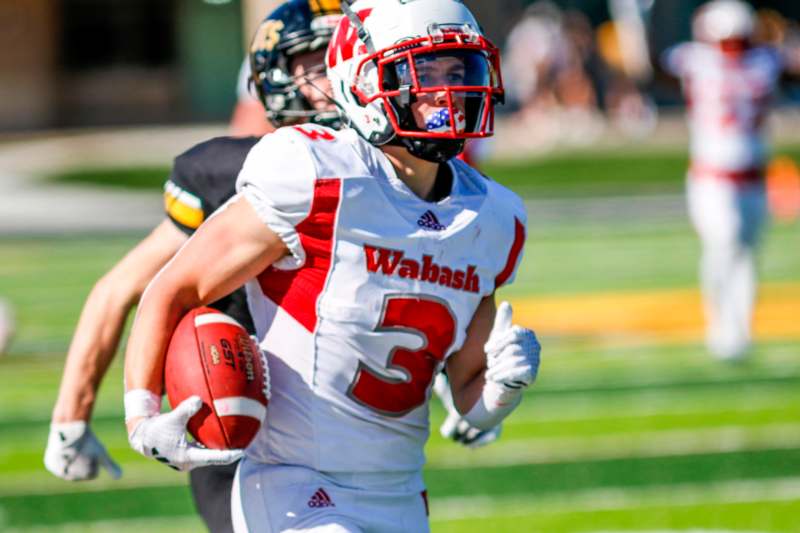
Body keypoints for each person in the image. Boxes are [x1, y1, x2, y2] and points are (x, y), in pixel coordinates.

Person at [122, 1, 540, 532]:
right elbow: (173, 286)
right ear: (363, 82)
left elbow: (467, 390)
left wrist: (502, 389)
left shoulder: (493, 216)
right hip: (293, 482)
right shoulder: (315, 173)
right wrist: (141, 414)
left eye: (457, 71)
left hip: (400, 490)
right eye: (424, 71)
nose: (447, 91)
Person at [44, 2, 342, 532]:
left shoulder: (399, 174)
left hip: (348, 423)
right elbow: (119, 288)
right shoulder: (228, 172)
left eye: (344, 51)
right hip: (244, 408)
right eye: (314, 58)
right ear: (275, 75)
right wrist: (71, 417)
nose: (335, 69)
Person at [662, 0, 783, 360]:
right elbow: (652, 67)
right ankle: (720, 328)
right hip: (712, 178)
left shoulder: (763, 62)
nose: (732, 47)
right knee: (724, 244)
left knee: (747, 253)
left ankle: (741, 331)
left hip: (755, 176)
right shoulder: (695, 60)